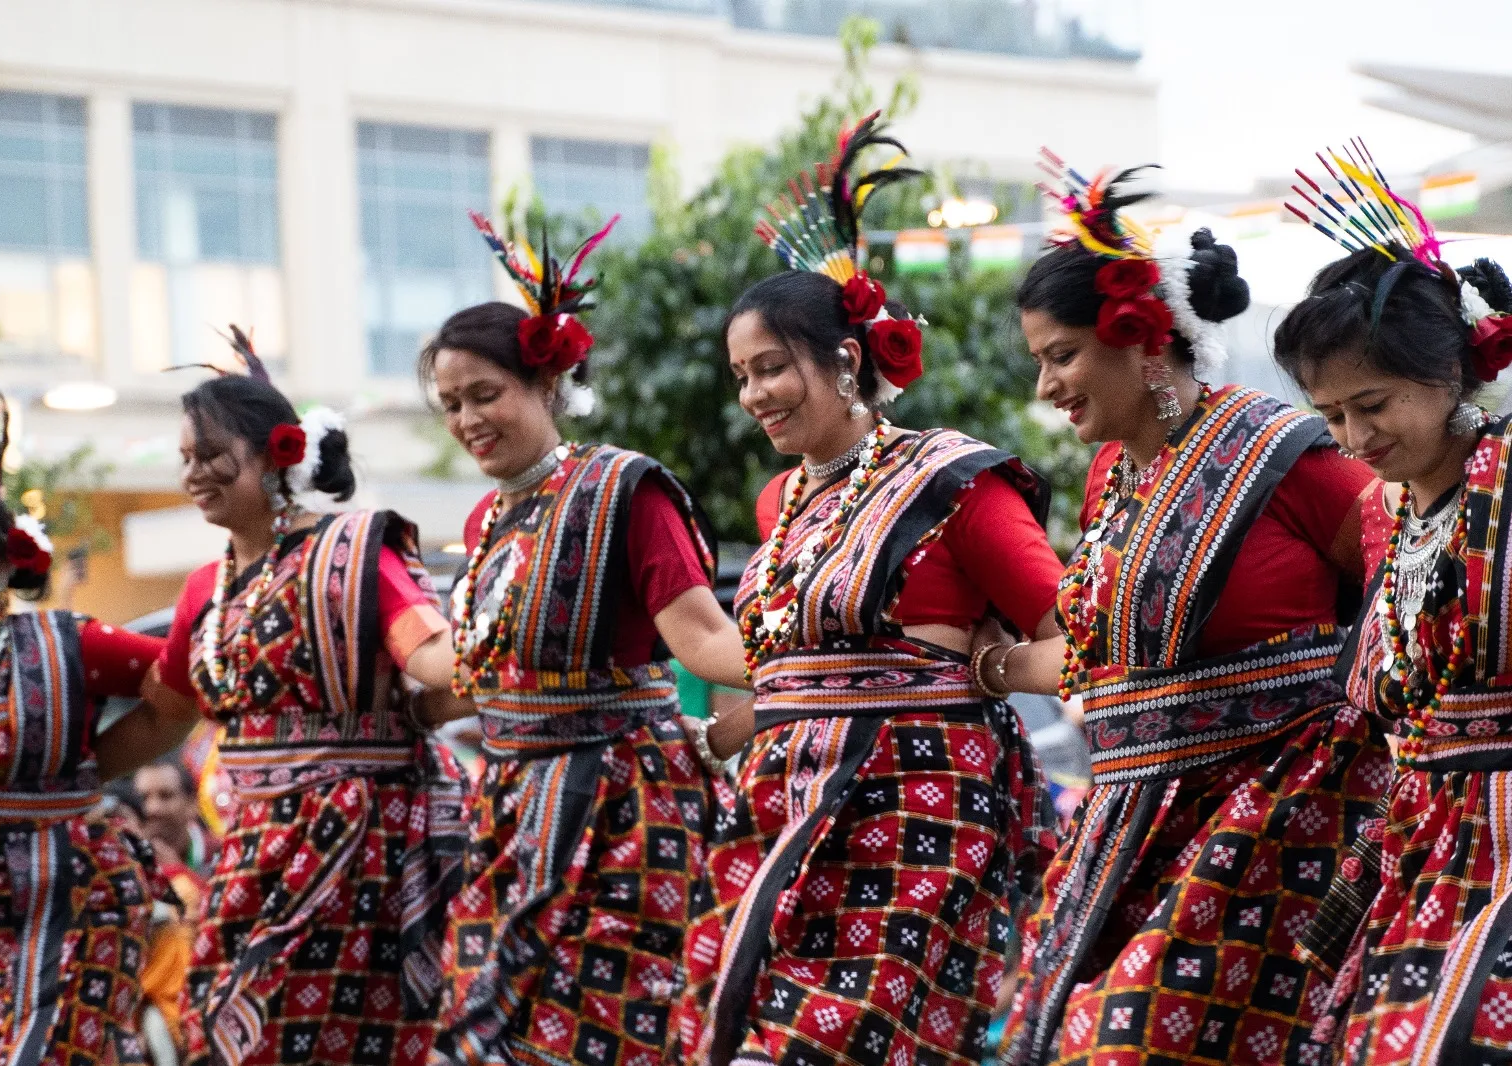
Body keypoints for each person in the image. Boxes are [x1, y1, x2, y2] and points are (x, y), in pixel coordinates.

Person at [991, 154, 1391, 1066]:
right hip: (1139, 816)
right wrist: (986, 666)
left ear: (1138, 335)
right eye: (1041, 362)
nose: (1047, 387)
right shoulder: (1111, 481)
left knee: (1131, 1033)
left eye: (1062, 356)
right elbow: (1104, 656)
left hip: (1281, 817)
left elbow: (1400, 589)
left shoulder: (1285, 456)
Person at [684, 113, 1064, 1066]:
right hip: (786, 809)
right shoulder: (781, 501)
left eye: (772, 368)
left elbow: (1078, 640)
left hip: (918, 816)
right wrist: (748, 715)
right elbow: (791, 662)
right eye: (741, 376)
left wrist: (990, 668)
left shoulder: (955, 485)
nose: (755, 396)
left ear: (845, 360)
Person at [423, 211, 746, 1065]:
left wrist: (830, 661)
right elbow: (483, 679)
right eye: (451, 403)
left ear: (546, 383)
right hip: (511, 812)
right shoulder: (486, 520)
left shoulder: (623, 491)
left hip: (620, 812)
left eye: (484, 394)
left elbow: (705, 642)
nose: (467, 419)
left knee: (602, 1032)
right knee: (492, 1030)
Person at [98, 330, 470, 1066]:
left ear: (278, 452)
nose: (195, 474)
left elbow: (430, 656)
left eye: (212, 457)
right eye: (186, 461)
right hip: (253, 848)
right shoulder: (206, 589)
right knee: (230, 1023)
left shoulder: (353, 552)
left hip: (361, 845)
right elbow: (166, 713)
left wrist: (509, 638)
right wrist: (57, 774)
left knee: (346, 1037)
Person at [1271, 144, 1512, 1065]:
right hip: (1425, 854)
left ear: (1449, 371)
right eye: (1332, 418)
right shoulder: (1387, 513)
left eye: (1372, 404)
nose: (1355, 439)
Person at [0, 382, 167, 1066]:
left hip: (66, 904)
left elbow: (184, 685)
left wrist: (96, 767)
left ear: (3, 559)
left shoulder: (65, 645)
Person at [135, 753, 216, 875]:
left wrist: (177, 874)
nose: (152, 808)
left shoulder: (222, 853)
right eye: (143, 798)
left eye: (165, 796)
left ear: (192, 804)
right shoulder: (123, 862)